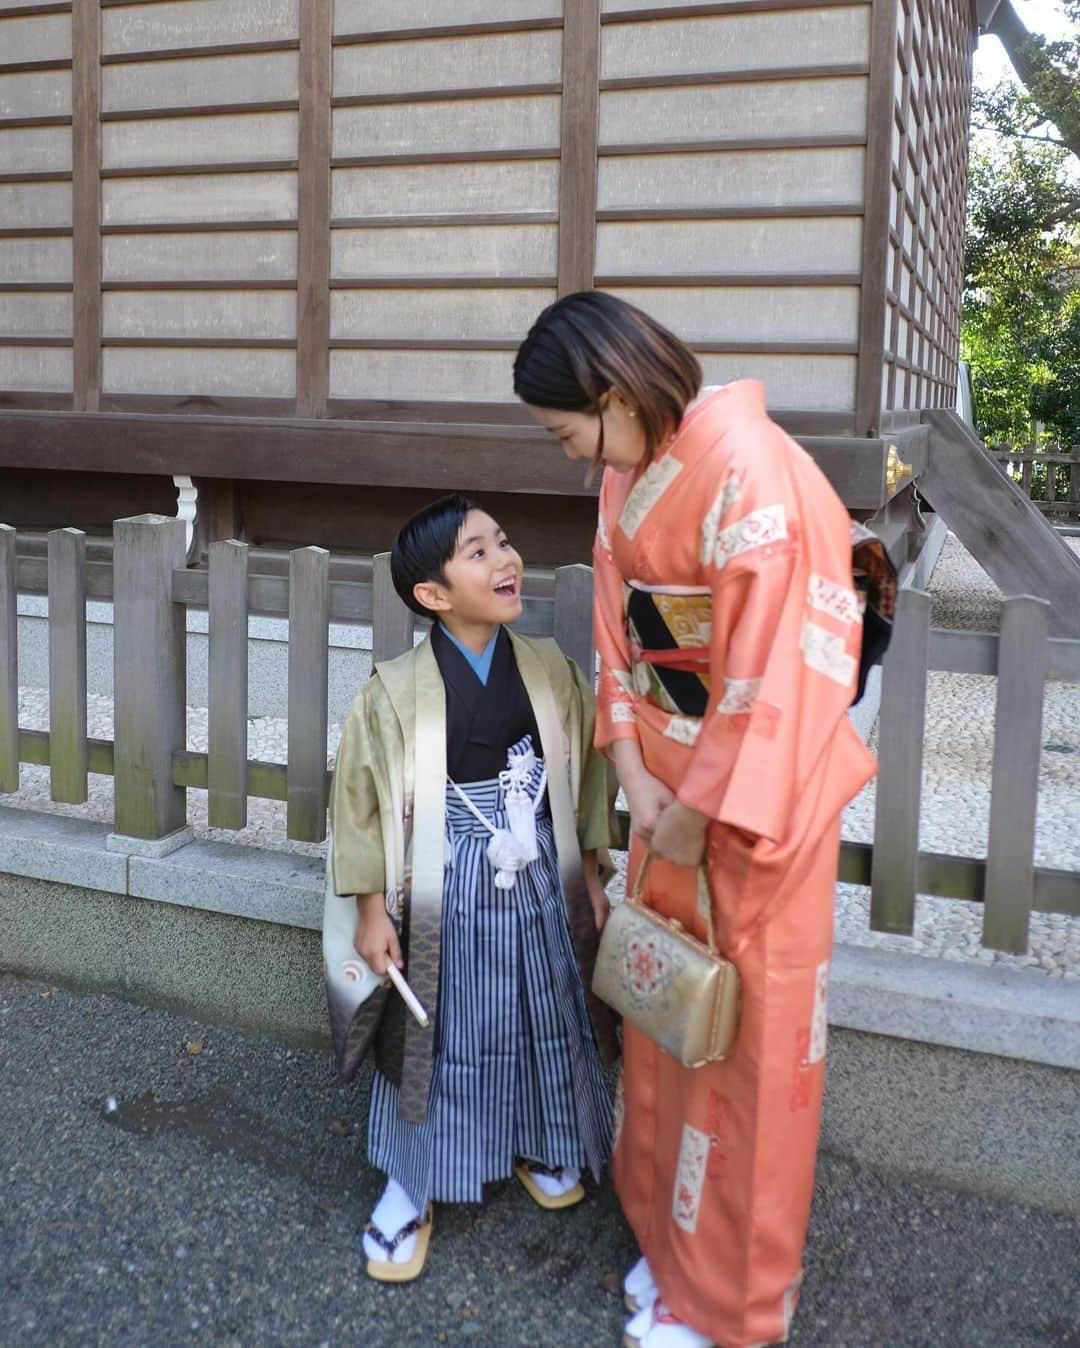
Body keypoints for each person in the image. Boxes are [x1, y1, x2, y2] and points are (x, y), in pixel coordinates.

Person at [513, 292, 879, 1348]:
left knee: (750, 1056)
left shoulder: (757, 476)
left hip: (750, 809)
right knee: (667, 1017)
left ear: (617, 394)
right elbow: (617, 634)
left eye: (571, 431)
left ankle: (735, 1307)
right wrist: (630, 764)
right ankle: (673, 1254)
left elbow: (780, 674)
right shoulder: (632, 472)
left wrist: (697, 809)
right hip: (664, 787)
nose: (578, 459)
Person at [322, 494, 618, 1283]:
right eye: (478, 552)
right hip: (443, 881)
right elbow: (358, 804)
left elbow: (586, 777)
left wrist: (590, 872)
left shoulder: (550, 667)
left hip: (538, 874)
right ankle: (411, 1182)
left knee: (542, 1009)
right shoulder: (392, 690)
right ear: (433, 594)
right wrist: (370, 909)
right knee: (441, 1032)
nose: (505, 559)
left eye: (504, 542)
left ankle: (540, 1137)